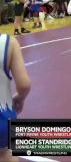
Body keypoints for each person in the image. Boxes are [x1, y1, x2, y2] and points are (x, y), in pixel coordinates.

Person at [0, 34, 31, 162]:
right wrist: (20, 98)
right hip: (2, 116)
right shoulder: (8, 43)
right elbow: (24, 85)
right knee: (5, 153)